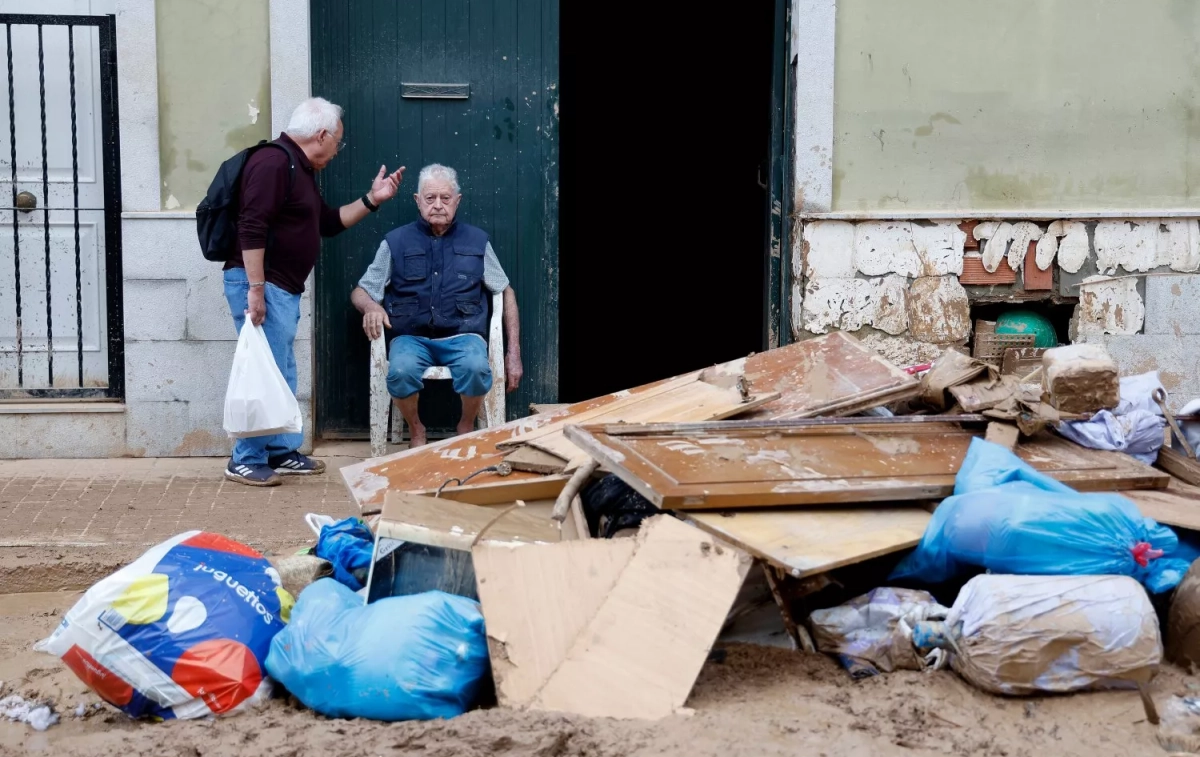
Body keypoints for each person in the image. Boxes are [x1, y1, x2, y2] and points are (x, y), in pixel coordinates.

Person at [224, 97, 405, 486]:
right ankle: (246, 458)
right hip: (262, 284)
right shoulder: (273, 162)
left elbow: (327, 222)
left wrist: (374, 199)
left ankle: (279, 450)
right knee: (263, 372)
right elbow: (251, 227)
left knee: (281, 370)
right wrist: (255, 288)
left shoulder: (298, 168)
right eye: (338, 142)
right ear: (321, 135)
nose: (338, 151)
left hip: (280, 287)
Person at [350, 163, 523, 447]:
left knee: (478, 370)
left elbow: (506, 292)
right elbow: (360, 291)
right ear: (418, 201)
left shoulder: (478, 241)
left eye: (445, 198)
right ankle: (416, 428)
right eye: (430, 198)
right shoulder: (396, 242)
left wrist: (513, 352)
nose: (438, 205)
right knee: (400, 372)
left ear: (458, 201)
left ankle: (466, 423)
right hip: (411, 337)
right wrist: (370, 307)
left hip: (464, 336)